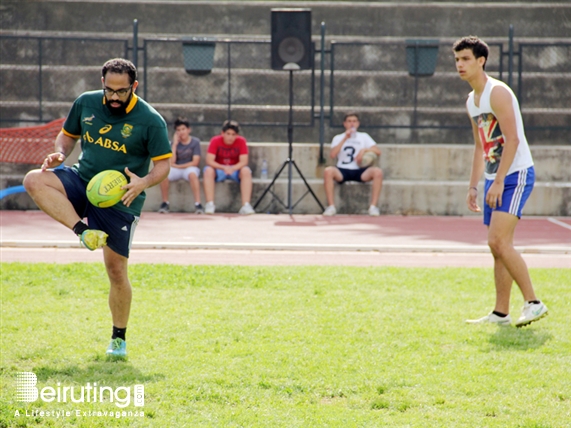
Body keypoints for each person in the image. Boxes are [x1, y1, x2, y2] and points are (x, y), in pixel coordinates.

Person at [23, 58, 172, 356]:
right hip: (83, 179)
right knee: (34, 180)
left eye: (122, 91)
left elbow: (163, 165)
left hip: (121, 198)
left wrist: (143, 183)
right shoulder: (86, 103)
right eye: (109, 90)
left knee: (116, 271)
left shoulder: (150, 120)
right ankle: (83, 231)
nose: (114, 97)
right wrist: (60, 154)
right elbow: (67, 136)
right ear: (102, 83)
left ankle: (118, 339)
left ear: (134, 87)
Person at [453, 36, 548, 327]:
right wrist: (474, 185)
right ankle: (500, 313)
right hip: (495, 178)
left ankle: (533, 302)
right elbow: (481, 146)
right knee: (497, 246)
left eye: (466, 59)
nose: (460, 65)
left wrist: (498, 182)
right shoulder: (472, 100)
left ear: (481, 61)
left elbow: (513, 139)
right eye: (457, 60)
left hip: (515, 175)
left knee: (498, 241)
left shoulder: (498, 93)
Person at [322, 112, 383, 216]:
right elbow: (332, 155)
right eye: (349, 121)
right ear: (344, 124)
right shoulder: (338, 137)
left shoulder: (364, 137)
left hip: (360, 170)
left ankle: (373, 207)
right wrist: (345, 138)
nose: (352, 124)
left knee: (378, 172)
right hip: (343, 169)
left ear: (358, 123)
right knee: (328, 171)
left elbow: (378, 151)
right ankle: (331, 207)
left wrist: (364, 150)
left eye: (354, 121)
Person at [202, 120, 255, 215]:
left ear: (237, 135)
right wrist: (223, 167)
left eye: (233, 134)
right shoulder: (215, 140)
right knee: (208, 171)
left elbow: (244, 161)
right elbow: (209, 160)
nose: (230, 137)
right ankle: (210, 204)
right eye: (228, 134)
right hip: (219, 169)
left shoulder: (241, 141)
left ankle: (246, 205)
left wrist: (233, 168)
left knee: (246, 171)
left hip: (235, 170)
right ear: (222, 133)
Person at [158, 117, 204, 214]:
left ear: (188, 130)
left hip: (189, 168)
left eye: (183, 129)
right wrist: (174, 144)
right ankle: (165, 203)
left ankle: (198, 204)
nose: (181, 132)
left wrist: (178, 166)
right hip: (176, 169)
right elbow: (171, 161)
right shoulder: (172, 143)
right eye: (178, 130)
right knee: (163, 174)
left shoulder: (195, 142)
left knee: (192, 174)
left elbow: (195, 162)